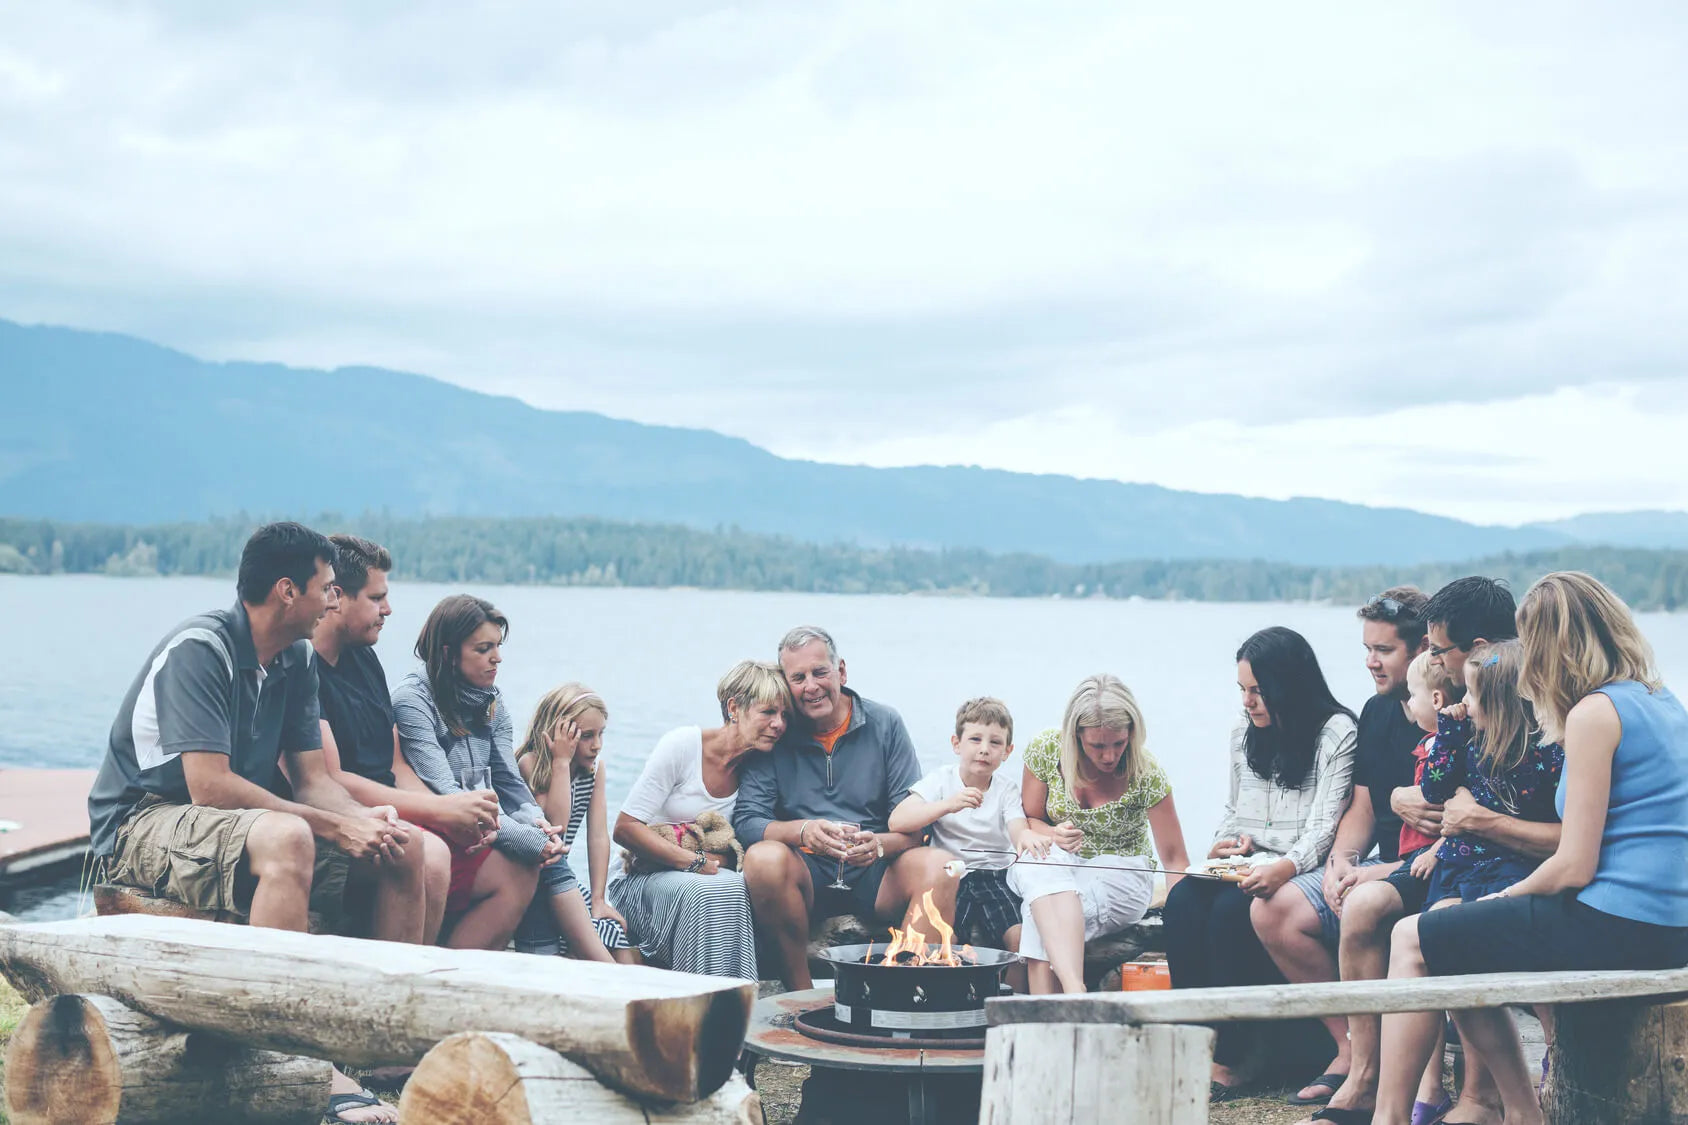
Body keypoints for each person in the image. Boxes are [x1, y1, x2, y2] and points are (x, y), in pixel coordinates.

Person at [87, 522, 412, 1125]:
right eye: (328, 588)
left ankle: (378, 1049)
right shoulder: (199, 650)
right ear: (288, 591)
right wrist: (332, 828)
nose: (334, 601)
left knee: (405, 848)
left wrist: (366, 820)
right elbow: (209, 787)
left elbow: (314, 779)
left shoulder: (295, 659)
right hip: (142, 820)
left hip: (224, 823)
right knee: (289, 837)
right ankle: (295, 1064)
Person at [1371, 572, 1688, 1125]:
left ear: (1553, 644)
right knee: (1451, 932)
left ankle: (1392, 1118)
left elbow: (1572, 864)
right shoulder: (1661, 700)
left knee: (1413, 937)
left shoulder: (1596, 712)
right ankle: (1518, 1111)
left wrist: (1501, 900)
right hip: (1668, 924)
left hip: (1622, 925)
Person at [1162, 626, 1357, 1100]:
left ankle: (1240, 1057)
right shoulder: (1242, 735)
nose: (1248, 702)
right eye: (1243, 691)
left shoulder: (1336, 731)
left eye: (1257, 690)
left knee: (1233, 913)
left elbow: (1325, 827)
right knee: (1183, 901)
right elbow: (1233, 811)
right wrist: (1222, 846)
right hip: (1249, 862)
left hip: (1302, 868)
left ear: (1288, 685)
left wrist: (1284, 868)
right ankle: (1201, 1042)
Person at [1253, 589, 1430, 1108]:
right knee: (1274, 909)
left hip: (1417, 866)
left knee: (1362, 904)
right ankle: (1350, 1049)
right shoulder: (1376, 712)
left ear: (1421, 649)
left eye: (1384, 650)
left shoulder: (1449, 715)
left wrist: (1376, 874)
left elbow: (1450, 832)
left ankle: (1372, 1076)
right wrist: (1341, 860)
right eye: (1367, 648)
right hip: (1379, 864)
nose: (1371, 661)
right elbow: (1363, 805)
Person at [312, 534, 524, 950]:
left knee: (514, 872)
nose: (388, 610)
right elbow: (331, 781)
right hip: (341, 816)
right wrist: (440, 809)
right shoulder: (307, 669)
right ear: (338, 597)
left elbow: (396, 766)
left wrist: (448, 811)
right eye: (377, 599)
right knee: (428, 853)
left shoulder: (364, 659)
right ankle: (402, 982)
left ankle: (448, 975)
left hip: (393, 805)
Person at [735, 626, 959, 991]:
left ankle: (900, 993)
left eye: (820, 672)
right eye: (798, 678)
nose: (811, 686)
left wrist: (880, 845)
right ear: (785, 684)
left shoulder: (885, 724)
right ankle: (799, 993)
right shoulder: (776, 730)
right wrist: (804, 832)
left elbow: (914, 826)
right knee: (762, 859)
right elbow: (747, 822)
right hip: (804, 873)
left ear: (841, 671)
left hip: (875, 870)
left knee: (943, 867)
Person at [392, 594, 568, 956]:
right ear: (447, 653)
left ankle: (464, 971)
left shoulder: (491, 701)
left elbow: (507, 781)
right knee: (528, 861)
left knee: (536, 863)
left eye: (498, 647)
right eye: (483, 648)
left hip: (483, 827)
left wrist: (536, 823)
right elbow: (445, 791)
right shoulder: (413, 701)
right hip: (436, 826)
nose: (497, 658)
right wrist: (529, 840)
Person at [1004, 675, 1191, 995]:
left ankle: (1047, 1013)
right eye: (1098, 745)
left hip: (1123, 873)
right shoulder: (1047, 750)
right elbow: (1029, 821)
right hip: (1061, 865)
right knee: (1039, 868)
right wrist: (1053, 833)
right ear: (1075, 736)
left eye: (1118, 743)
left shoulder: (1146, 773)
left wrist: (1183, 922)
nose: (1109, 756)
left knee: (1041, 913)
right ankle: (1075, 993)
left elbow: (1174, 858)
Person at [609, 660, 790, 979]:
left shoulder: (759, 768)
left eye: (784, 715)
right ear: (734, 708)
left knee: (732, 886)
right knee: (709, 890)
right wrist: (693, 861)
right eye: (768, 712)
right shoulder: (683, 746)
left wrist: (705, 862)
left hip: (707, 878)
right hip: (638, 880)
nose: (779, 724)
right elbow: (625, 828)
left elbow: (735, 852)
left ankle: (729, 1000)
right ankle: (697, 996)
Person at [889, 697, 1029, 957]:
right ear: (956, 744)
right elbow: (898, 819)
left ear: (1008, 751)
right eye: (975, 739)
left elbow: (1017, 827)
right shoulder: (942, 780)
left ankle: (1010, 995)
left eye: (995, 742)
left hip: (995, 877)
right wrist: (948, 805)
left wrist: (1027, 838)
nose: (984, 749)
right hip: (952, 876)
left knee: (1019, 939)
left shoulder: (1006, 789)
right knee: (948, 938)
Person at [512, 683, 632, 962]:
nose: (597, 745)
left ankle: (633, 997)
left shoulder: (593, 768)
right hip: (537, 878)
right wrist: (561, 763)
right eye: (587, 736)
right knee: (559, 956)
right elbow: (556, 826)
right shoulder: (531, 764)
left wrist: (599, 900)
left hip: (564, 879)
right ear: (559, 734)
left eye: (601, 734)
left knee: (615, 934)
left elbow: (598, 835)